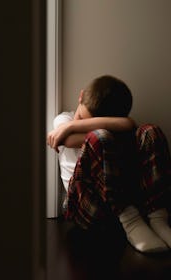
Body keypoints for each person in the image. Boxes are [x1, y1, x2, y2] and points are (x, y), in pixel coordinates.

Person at [47, 75, 171, 253]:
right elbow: (69, 140)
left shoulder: (72, 126)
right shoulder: (63, 120)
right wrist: (69, 127)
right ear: (80, 96)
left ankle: (159, 219)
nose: (79, 123)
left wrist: (73, 127)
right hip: (85, 206)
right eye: (81, 118)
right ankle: (131, 223)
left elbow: (129, 123)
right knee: (99, 137)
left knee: (150, 132)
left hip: (122, 200)